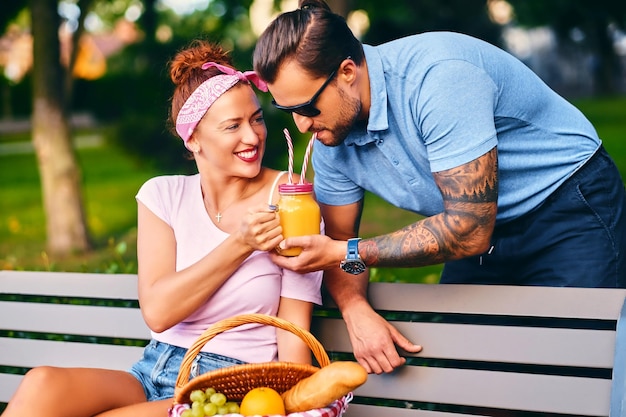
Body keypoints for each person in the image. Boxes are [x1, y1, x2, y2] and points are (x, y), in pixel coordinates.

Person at [252, 0, 626, 375]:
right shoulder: (332, 139)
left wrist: (347, 251)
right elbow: (338, 240)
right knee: (465, 371)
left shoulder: (438, 78)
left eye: (309, 107)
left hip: (566, 202)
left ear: (348, 71)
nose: (302, 126)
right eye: (290, 112)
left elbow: (468, 229)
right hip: (476, 226)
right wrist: (355, 310)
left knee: (581, 363)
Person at [2, 39, 322, 417]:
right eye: (232, 125)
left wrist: (292, 400)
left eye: (256, 119)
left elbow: (292, 330)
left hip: (232, 387)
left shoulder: (289, 199)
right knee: (42, 383)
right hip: (152, 371)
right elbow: (158, 312)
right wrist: (240, 244)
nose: (252, 136)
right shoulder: (163, 196)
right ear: (194, 139)